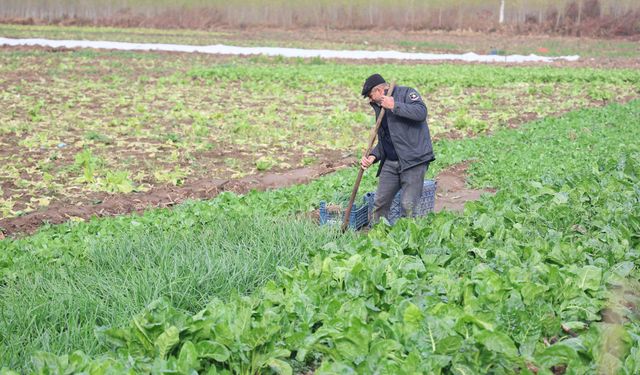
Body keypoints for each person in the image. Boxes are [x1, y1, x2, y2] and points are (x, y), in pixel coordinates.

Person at [360, 73, 435, 223]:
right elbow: (386, 140)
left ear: (379, 91)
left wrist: (395, 105)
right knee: (379, 203)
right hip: (391, 162)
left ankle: (407, 240)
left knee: (408, 206)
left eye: (370, 95)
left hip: (413, 161)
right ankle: (378, 237)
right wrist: (373, 156)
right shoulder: (379, 108)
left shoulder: (406, 93)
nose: (370, 100)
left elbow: (421, 112)